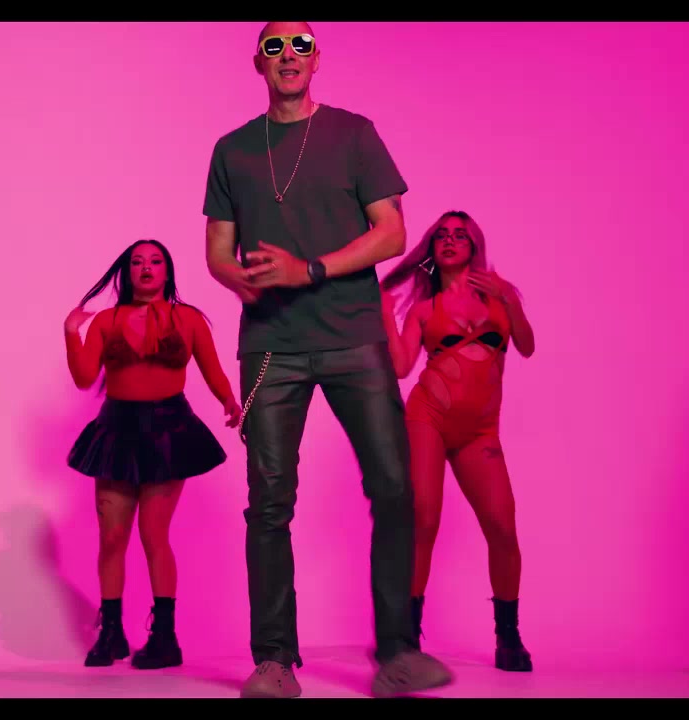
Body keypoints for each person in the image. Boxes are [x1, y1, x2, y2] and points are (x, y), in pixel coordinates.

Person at [202, 21, 453, 698]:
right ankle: (274, 661)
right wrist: (235, 276)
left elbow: (392, 233)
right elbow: (218, 250)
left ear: (318, 60)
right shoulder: (232, 149)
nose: (289, 54)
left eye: (301, 45)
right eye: (275, 45)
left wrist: (307, 269)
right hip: (270, 347)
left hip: (354, 338)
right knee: (268, 503)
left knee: (394, 488)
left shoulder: (354, 134)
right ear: (258, 62)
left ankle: (397, 654)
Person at [64, 238, 241, 670]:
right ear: (127, 272)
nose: (146, 267)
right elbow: (84, 378)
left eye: (155, 261)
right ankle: (111, 632)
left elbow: (212, 369)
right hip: (117, 430)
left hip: (168, 431)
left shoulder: (189, 318)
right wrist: (70, 333)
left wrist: (229, 400)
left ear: (167, 270)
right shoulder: (107, 320)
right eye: (137, 262)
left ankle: (165, 637)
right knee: (112, 537)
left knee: (153, 533)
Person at [378, 210, 536, 672]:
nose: (449, 240)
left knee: (502, 527)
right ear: (432, 247)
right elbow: (402, 367)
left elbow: (526, 346)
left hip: (480, 431)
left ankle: (508, 636)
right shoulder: (425, 308)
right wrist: (386, 314)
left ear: (474, 245)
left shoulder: (499, 297)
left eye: (459, 235)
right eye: (442, 235)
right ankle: (406, 637)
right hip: (427, 417)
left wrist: (510, 297)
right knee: (424, 520)